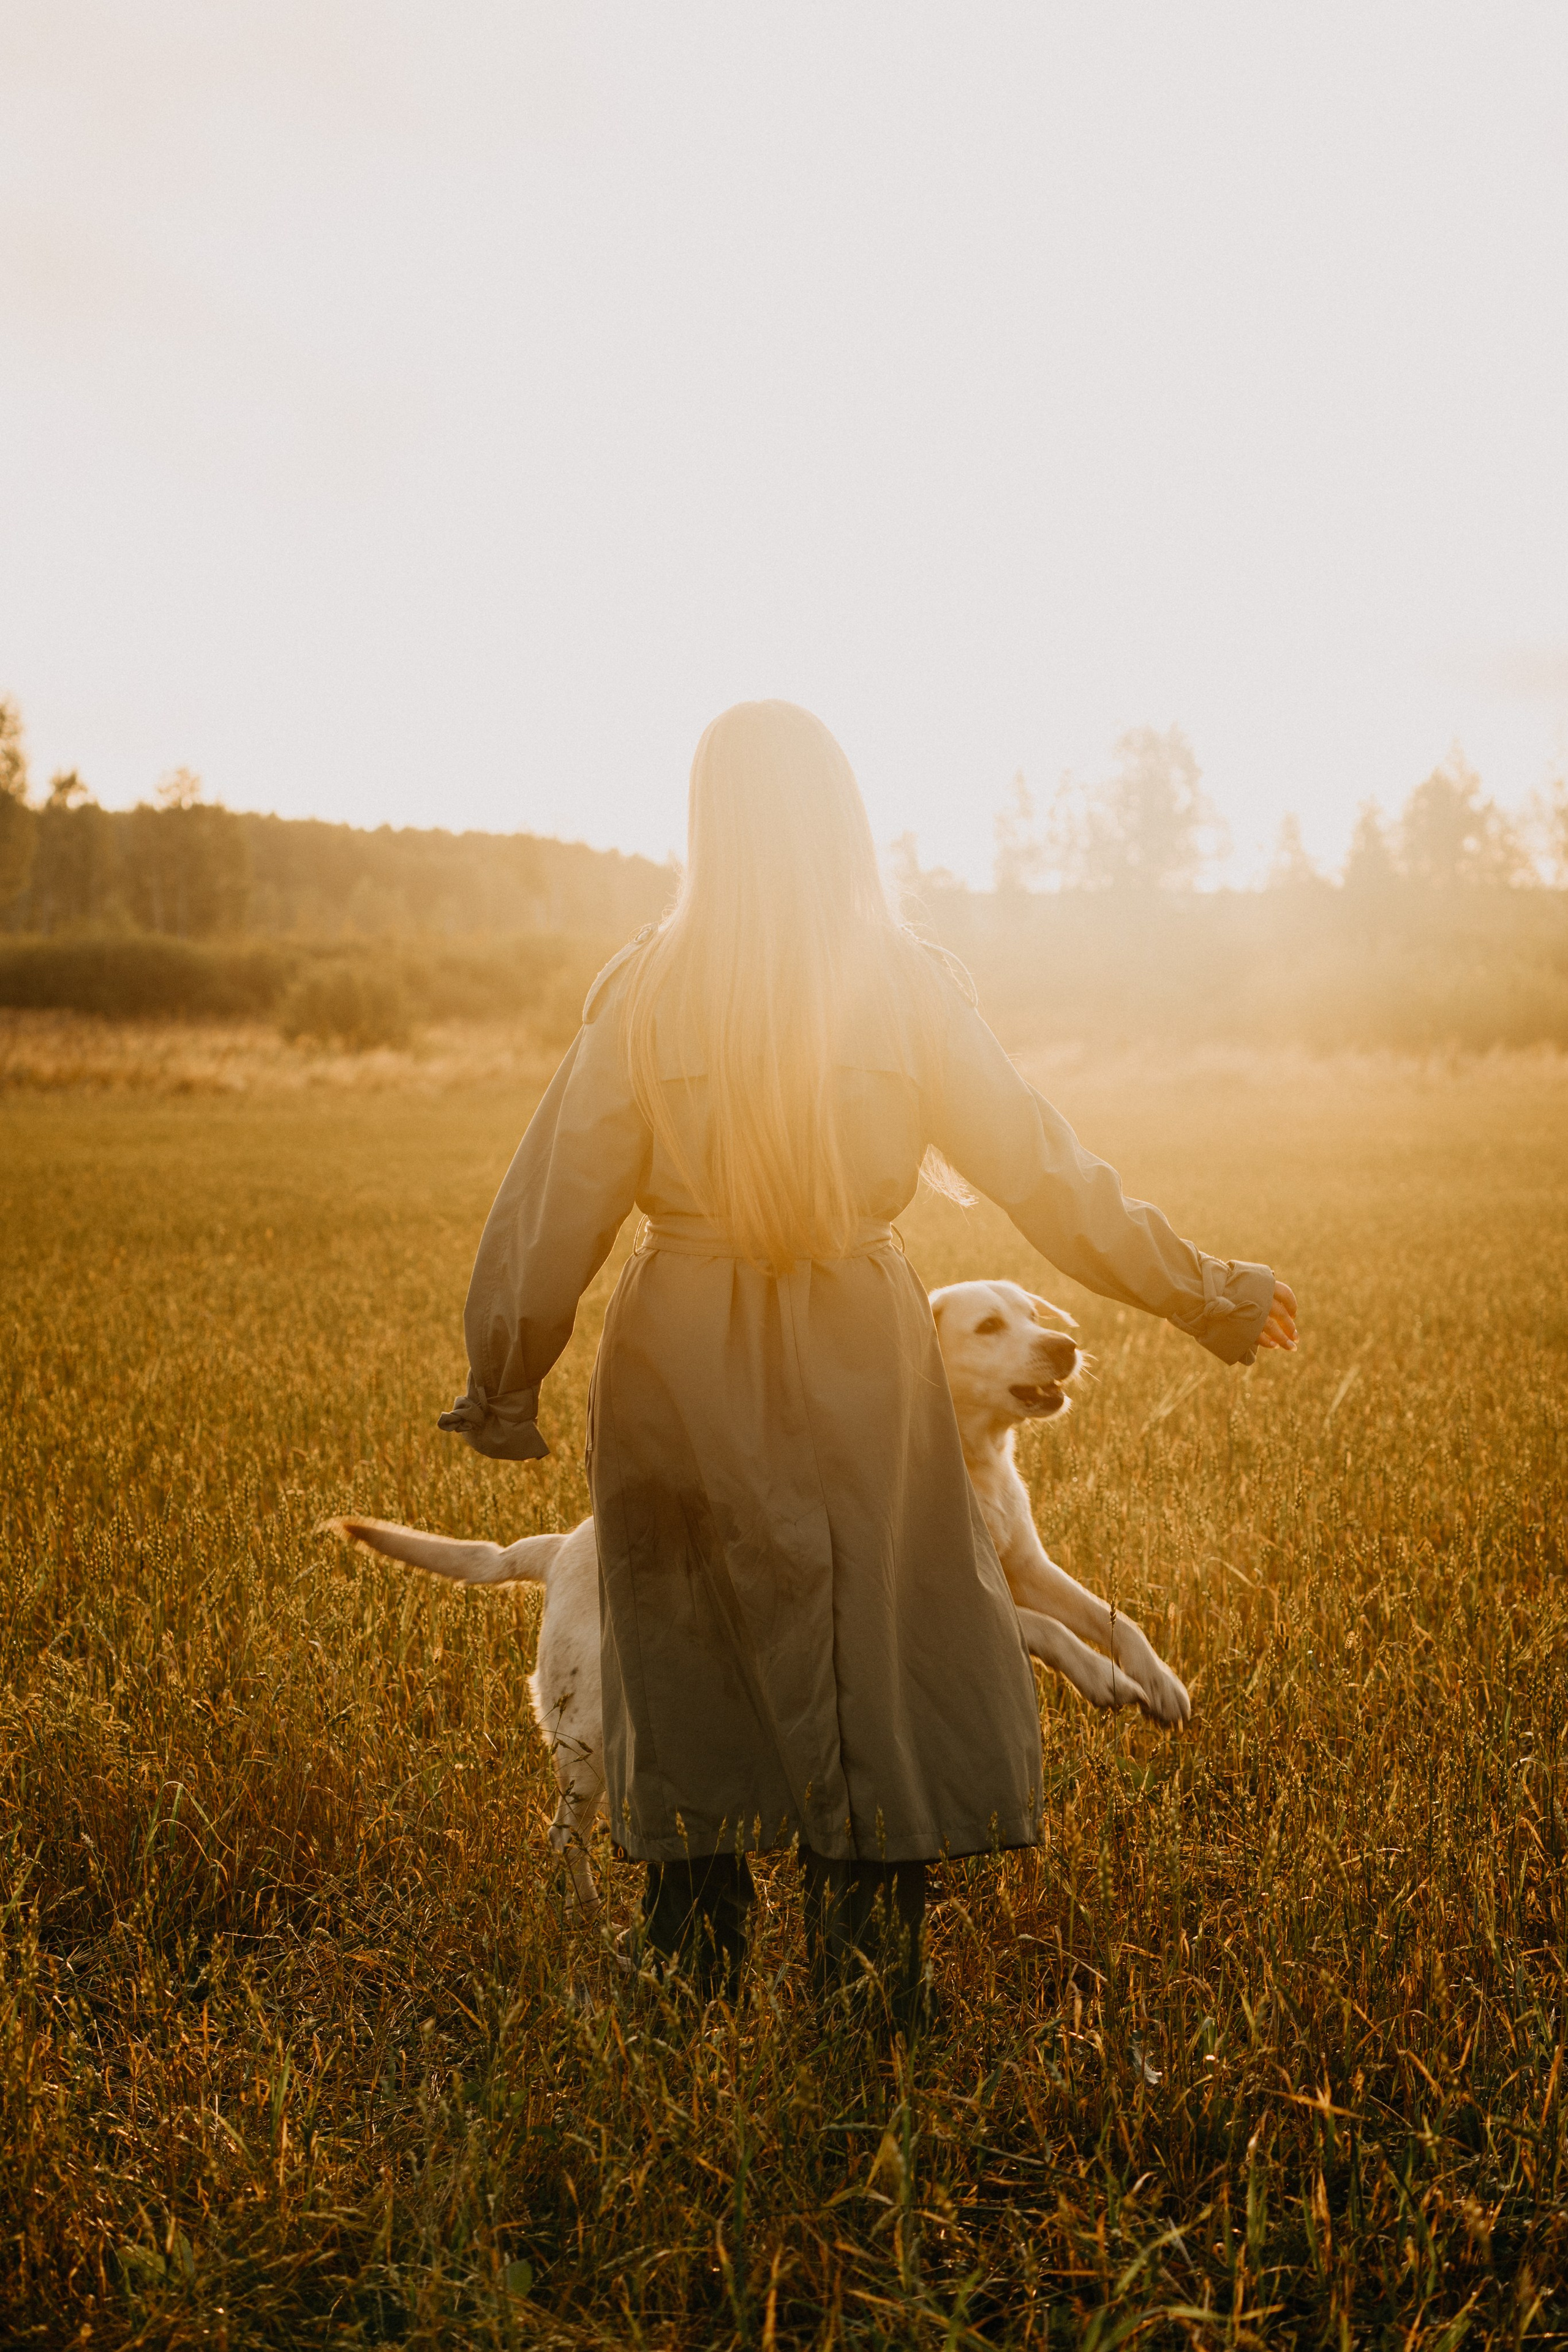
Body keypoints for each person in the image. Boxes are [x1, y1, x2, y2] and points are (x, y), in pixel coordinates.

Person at [440, 701, 1297, 2025]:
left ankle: (693, 1956)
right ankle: (866, 1970)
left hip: (678, 1348)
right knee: (876, 1644)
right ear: (842, 819)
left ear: (706, 824)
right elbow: (1041, 1167)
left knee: (686, 1640)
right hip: (859, 1344)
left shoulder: (644, 986)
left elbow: (553, 1196)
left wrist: (505, 1376)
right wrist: (1206, 1293)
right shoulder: (907, 981)